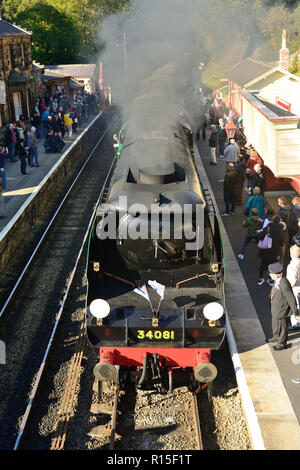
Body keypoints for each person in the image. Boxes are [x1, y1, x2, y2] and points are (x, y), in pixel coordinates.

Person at [266, 262, 298, 351]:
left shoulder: (284, 284)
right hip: (276, 309)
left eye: (271, 273)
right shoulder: (278, 281)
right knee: (275, 324)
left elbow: (291, 298)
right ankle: (276, 336)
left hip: (282, 310)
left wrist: (296, 312)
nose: (270, 275)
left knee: (282, 328)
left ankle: (281, 343)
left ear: (278, 275)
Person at [257, 215, 285, 286]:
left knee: (262, 264)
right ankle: (271, 280)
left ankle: (260, 279)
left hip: (265, 250)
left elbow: (260, 236)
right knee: (272, 265)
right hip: (274, 251)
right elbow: (282, 244)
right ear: (279, 221)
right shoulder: (281, 231)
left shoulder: (268, 228)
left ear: (272, 220)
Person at [286, 244, 300, 330]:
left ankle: (296, 323)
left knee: (295, 305)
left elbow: (292, 280)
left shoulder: (293, 265)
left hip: (296, 289)